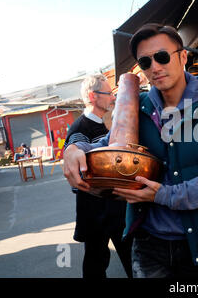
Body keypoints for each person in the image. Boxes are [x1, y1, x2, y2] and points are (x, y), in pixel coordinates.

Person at [63, 23, 198, 278]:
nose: (155, 67)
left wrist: (163, 195)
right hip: (148, 244)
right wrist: (74, 148)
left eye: (162, 56)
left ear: (183, 56)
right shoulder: (137, 108)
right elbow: (107, 143)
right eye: (145, 62)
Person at [63, 74, 133, 278]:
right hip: (96, 213)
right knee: (95, 265)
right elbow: (76, 178)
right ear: (93, 96)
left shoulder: (109, 124)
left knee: (133, 260)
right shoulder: (79, 130)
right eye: (109, 93)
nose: (113, 98)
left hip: (118, 208)